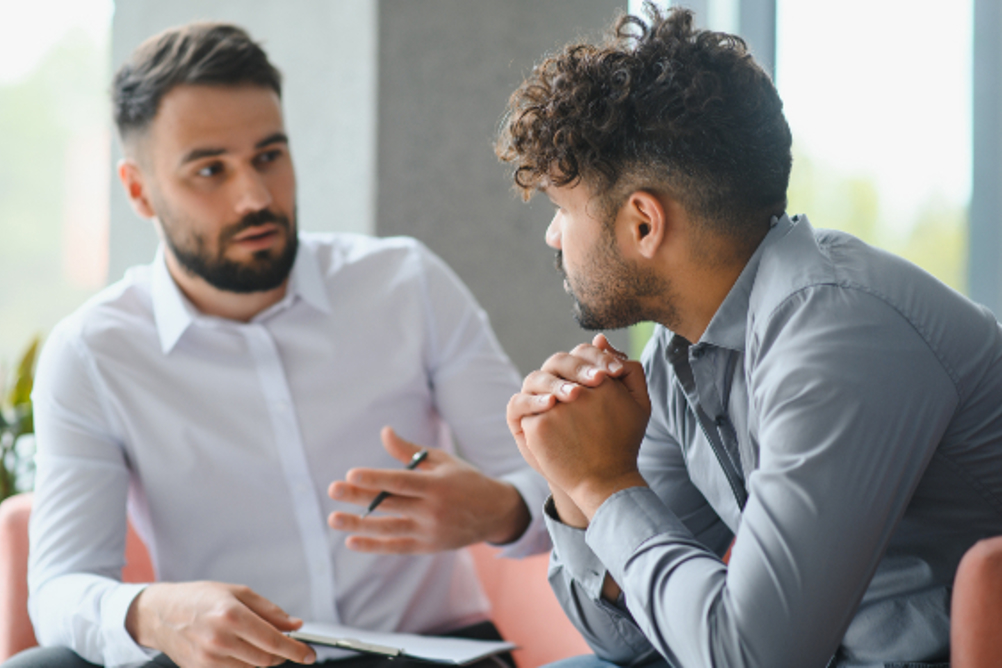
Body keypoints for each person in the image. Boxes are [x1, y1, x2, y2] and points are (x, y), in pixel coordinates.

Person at [12, 21, 550, 668]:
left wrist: (504, 510)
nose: (255, 197)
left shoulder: (406, 284)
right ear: (138, 190)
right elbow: (60, 590)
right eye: (210, 170)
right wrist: (153, 612)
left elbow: (555, 487)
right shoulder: (93, 354)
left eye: (269, 156)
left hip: (430, 655)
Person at [497, 5, 1002, 668]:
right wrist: (573, 482)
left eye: (565, 210)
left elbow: (754, 658)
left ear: (643, 224)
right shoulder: (681, 353)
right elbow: (626, 642)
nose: (552, 238)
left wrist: (606, 485)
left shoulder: (837, 333)